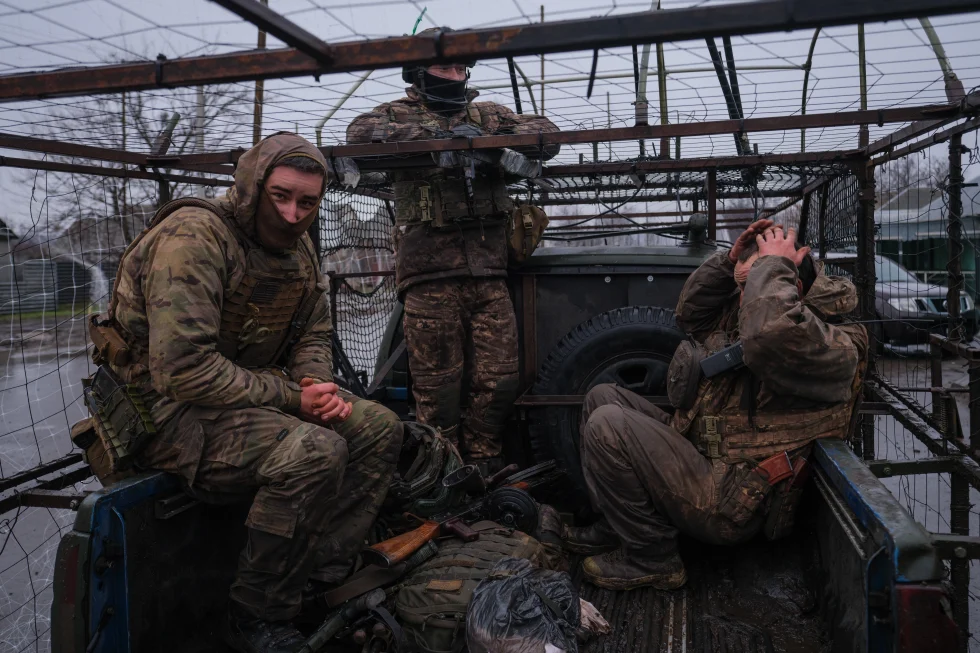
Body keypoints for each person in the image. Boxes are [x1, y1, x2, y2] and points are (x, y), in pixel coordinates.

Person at [91, 132, 403, 653]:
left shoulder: (299, 247)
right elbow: (181, 371)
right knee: (315, 451)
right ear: (251, 187)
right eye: (280, 196)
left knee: (377, 428)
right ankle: (255, 614)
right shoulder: (195, 239)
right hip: (164, 413)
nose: (292, 214)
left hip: (240, 399)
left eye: (307, 202)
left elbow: (312, 330)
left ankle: (320, 576)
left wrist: (310, 383)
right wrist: (291, 401)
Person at [563, 221, 868, 591]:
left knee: (607, 426)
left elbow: (770, 339)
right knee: (602, 397)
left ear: (791, 286)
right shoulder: (758, 311)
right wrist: (728, 263)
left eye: (749, 287)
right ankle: (620, 526)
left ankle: (652, 559)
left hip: (734, 499)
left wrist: (769, 270)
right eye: (741, 287)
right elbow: (690, 315)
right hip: (705, 459)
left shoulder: (832, 343)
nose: (741, 298)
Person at [345, 27, 560, 476]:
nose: (454, 74)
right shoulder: (394, 113)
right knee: (439, 387)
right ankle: (442, 474)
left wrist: (487, 145)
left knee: (499, 381)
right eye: (445, 67)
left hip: (488, 272)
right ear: (419, 71)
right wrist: (440, 137)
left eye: (460, 67)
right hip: (430, 277)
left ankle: (483, 464)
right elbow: (359, 134)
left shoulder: (487, 114)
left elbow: (547, 133)